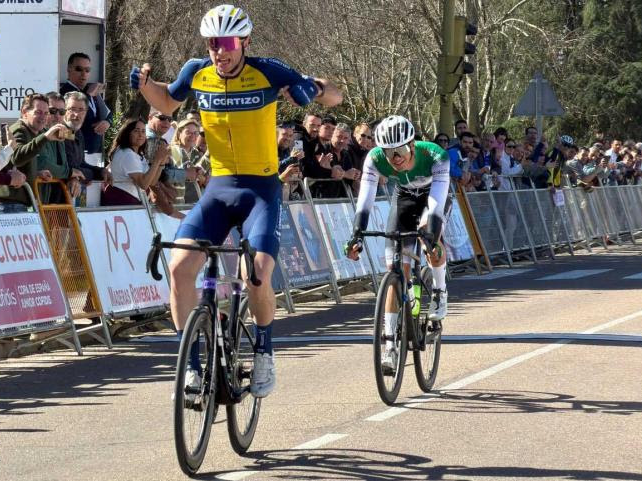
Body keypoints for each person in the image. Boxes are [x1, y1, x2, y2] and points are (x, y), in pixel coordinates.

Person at [130, 3, 341, 398]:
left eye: (226, 43)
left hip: (261, 191)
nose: (219, 51)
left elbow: (335, 95)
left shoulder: (268, 70)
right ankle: (190, 366)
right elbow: (167, 102)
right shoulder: (197, 71)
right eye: (212, 43)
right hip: (219, 189)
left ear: (244, 42)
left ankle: (264, 351)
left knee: (255, 273)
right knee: (179, 268)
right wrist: (144, 83)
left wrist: (311, 88)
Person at [344, 115, 450, 373]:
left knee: (429, 237)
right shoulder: (374, 159)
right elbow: (365, 200)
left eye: (400, 150)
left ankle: (440, 291)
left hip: (433, 194)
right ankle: (390, 345)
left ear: (412, 145)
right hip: (403, 197)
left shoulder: (435, 155)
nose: (395, 158)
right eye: (388, 152)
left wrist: (431, 235)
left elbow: (436, 206)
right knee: (394, 268)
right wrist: (357, 234)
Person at [0, 93, 70, 213]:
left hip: (16, 204)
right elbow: (17, 158)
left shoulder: (32, 132)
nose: (43, 117)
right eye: (38, 112)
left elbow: (17, 165)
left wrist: (36, 173)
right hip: (7, 205)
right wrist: (45, 137)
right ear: (24, 112)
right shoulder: (19, 130)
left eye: (46, 113)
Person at [59, 52, 112, 167]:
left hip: (95, 152)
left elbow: (108, 113)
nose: (83, 74)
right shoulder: (64, 93)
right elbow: (61, 130)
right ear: (69, 69)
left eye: (87, 70)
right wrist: (88, 95)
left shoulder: (90, 90)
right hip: (74, 153)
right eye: (79, 69)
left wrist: (107, 122)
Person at [105, 118, 167, 205]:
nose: (140, 135)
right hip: (121, 201)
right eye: (136, 131)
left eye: (143, 131)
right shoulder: (127, 154)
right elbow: (144, 184)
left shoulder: (137, 153)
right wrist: (157, 160)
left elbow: (152, 182)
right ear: (128, 133)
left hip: (129, 201)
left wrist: (161, 162)